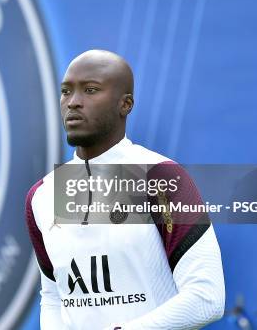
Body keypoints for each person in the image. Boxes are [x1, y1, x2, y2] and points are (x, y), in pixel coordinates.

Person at [25, 50, 225, 329]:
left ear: (126, 104)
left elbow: (207, 298)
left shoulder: (161, 177)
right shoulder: (42, 196)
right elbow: (53, 297)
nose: (73, 102)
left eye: (90, 90)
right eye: (65, 92)